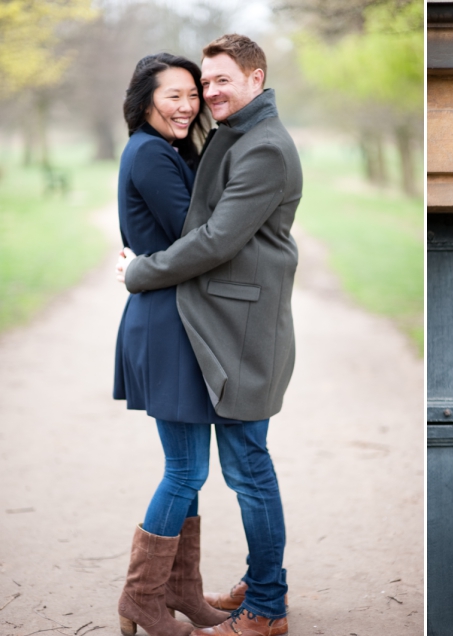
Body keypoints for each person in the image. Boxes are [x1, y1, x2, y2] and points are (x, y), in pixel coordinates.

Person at [116, 34, 302, 636]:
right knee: (200, 470)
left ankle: (264, 602)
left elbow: (214, 237)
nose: (203, 98)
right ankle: (190, 593)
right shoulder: (215, 141)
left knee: (242, 468)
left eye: (214, 84)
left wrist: (139, 268)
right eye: (196, 86)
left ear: (256, 77)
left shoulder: (261, 146)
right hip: (201, 326)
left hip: (239, 331)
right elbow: (195, 230)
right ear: (145, 100)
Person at [113, 53, 231, 636]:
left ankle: (182, 590)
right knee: (185, 470)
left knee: (186, 468)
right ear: (145, 99)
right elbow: (198, 235)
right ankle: (141, 597)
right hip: (168, 323)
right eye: (173, 96)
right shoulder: (151, 152)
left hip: (175, 317)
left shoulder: (166, 149)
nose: (187, 106)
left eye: (193, 94)